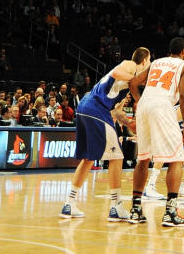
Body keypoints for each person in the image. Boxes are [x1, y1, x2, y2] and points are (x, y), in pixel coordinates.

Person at [59, 46, 150, 222]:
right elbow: (117, 71)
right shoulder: (131, 65)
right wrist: (137, 80)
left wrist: (129, 123)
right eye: (150, 61)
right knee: (116, 156)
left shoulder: (124, 88)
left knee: (88, 158)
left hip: (86, 108)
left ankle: (69, 203)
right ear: (145, 60)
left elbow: (115, 112)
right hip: (95, 108)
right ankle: (116, 206)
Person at [128, 38, 184, 229]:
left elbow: (133, 83)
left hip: (145, 105)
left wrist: (139, 101)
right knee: (176, 159)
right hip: (162, 106)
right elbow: (183, 95)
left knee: (143, 158)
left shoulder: (156, 62)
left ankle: (135, 210)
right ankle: (171, 212)